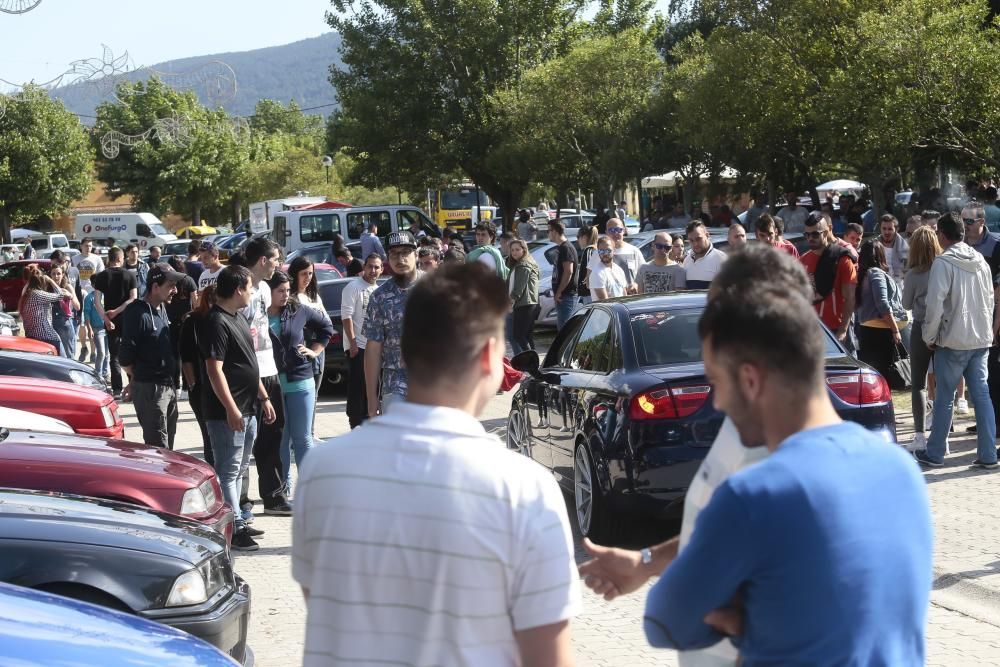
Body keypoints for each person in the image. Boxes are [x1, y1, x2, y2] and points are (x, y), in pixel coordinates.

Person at [580, 243, 932, 665]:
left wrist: (756, 619)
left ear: (749, 378)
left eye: (716, 381)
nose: (717, 402)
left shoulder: (754, 494)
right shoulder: (902, 469)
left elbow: (665, 621)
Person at [293, 262, 580, 666]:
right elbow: (548, 657)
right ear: (488, 357)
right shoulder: (523, 488)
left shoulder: (321, 472)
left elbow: (322, 604)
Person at [198, 265, 276, 551]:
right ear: (237, 289)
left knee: (241, 468)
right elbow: (214, 370)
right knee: (228, 471)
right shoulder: (216, 321)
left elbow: (248, 362)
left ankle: (239, 518)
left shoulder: (239, 317)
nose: (252, 291)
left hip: (250, 406)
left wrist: (264, 397)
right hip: (227, 413)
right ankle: (232, 529)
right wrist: (231, 409)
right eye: (249, 287)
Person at [916, 212, 998, 469]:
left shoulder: (943, 262)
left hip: (952, 341)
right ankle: (988, 455)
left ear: (941, 234)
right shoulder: (981, 261)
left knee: (944, 397)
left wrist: (929, 336)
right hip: (980, 339)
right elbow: (990, 300)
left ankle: (936, 453)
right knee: (982, 396)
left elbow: (935, 304)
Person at [265, 271, 334, 495]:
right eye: (280, 291)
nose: (286, 295)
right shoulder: (258, 312)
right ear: (269, 291)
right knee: (281, 439)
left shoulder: (298, 310)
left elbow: (326, 327)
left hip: (301, 381)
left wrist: (314, 350)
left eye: (287, 290)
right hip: (273, 383)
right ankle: (284, 490)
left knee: (302, 438)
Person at [239, 237, 289, 516]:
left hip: (269, 369)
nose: (278, 265)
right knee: (247, 441)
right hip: (248, 374)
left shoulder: (266, 291)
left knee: (274, 433)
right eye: (275, 259)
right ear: (262, 260)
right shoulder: (242, 289)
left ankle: (274, 495)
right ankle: (242, 505)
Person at [119, 263, 185, 450]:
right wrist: (136, 379)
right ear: (155, 287)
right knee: (158, 450)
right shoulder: (137, 312)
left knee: (168, 449)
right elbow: (124, 356)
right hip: (152, 390)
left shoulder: (161, 309)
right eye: (170, 286)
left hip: (168, 386)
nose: (175, 290)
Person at [364, 231, 421, 416]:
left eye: (406, 252)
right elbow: (373, 349)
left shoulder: (436, 288)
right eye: (394, 253)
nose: (400, 258)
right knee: (397, 444)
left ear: (416, 255)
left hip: (433, 384)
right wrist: (372, 399)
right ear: (387, 258)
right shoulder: (379, 297)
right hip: (395, 385)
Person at [903, 226, 942, 452]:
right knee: (944, 383)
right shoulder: (944, 268)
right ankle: (943, 433)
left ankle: (919, 435)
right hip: (944, 328)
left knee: (918, 384)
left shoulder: (913, 274)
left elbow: (906, 304)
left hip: (920, 326)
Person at [855, 240, 907, 387]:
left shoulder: (863, 275)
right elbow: (883, 303)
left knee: (873, 376)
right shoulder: (876, 273)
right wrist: (895, 329)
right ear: (880, 255)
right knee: (883, 376)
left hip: (867, 329)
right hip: (880, 329)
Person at [799, 212, 857, 345]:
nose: (810, 238)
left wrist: (843, 330)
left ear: (826, 232)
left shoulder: (842, 259)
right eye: (807, 234)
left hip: (837, 330)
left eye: (815, 234)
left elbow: (850, 298)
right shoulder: (802, 260)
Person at [342, 253, 383, 428]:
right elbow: (346, 316)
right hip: (358, 346)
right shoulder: (353, 287)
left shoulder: (379, 290)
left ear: (381, 269)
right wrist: (352, 344)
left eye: (377, 267)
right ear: (364, 267)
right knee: (358, 389)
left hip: (375, 347)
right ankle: (356, 424)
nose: (373, 270)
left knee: (373, 388)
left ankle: (371, 421)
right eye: (370, 266)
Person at [92, 247, 138, 399]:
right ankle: (134, 385)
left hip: (110, 321)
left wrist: (106, 318)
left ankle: (117, 389)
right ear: (119, 258)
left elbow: (96, 301)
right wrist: (118, 310)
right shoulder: (130, 275)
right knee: (131, 352)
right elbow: (133, 299)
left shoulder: (101, 276)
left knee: (114, 355)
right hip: (128, 318)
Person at [179, 284, 217, 467]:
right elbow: (185, 355)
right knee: (209, 433)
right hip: (201, 386)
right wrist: (192, 382)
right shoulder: (193, 320)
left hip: (223, 385)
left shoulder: (226, 318)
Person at [288, 256, 328, 392]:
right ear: (295, 274)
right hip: (302, 351)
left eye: (310, 273)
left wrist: (317, 350)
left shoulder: (314, 296)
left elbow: (326, 324)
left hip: (319, 350)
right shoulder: (291, 298)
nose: (308, 277)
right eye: (304, 273)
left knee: (314, 394)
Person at [19, 264, 72, 354]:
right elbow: (60, 295)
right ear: (40, 282)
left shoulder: (26, 294)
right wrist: (51, 281)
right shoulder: (38, 294)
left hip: (31, 336)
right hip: (46, 336)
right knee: (63, 361)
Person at [165, 256, 197, 397]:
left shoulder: (169, 281)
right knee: (187, 353)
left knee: (174, 354)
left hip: (171, 320)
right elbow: (195, 302)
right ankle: (186, 386)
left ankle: (176, 385)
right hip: (187, 321)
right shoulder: (188, 280)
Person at [507, 238, 540, 354]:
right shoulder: (525, 262)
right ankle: (535, 364)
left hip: (525, 304)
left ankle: (532, 363)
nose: (514, 252)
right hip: (529, 303)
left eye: (517, 249)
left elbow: (518, 289)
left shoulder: (523, 265)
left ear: (524, 250)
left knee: (519, 336)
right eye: (512, 250)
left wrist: (510, 302)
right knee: (526, 336)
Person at [548, 220, 578, 330]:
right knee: (562, 330)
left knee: (565, 332)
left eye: (548, 230)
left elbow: (568, 271)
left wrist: (559, 292)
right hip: (563, 296)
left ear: (555, 231)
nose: (548, 234)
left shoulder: (566, 248)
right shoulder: (561, 247)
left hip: (566, 296)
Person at [48, 262, 80, 359]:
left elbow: (77, 306)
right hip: (51, 324)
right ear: (50, 275)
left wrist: (70, 296)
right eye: (53, 274)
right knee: (54, 354)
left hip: (65, 323)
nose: (56, 276)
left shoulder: (67, 287)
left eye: (58, 273)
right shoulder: (47, 288)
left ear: (63, 275)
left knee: (68, 354)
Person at [683, 221, 727, 289]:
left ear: (707, 235)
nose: (695, 244)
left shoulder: (722, 259)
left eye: (698, 239)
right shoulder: (686, 260)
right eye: (691, 240)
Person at [82, 287, 110, 383]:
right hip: (97, 328)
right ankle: (98, 375)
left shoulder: (106, 296)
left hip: (107, 327)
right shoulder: (89, 297)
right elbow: (86, 313)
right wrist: (89, 328)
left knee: (107, 354)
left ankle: (105, 374)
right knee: (101, 353)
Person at [590, 236, 628, 300]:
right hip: (607, 309)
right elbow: (604, 301)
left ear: (614, 250)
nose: (605, 254)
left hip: (620, 308)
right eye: (601, 251)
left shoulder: (619, 270)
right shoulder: (597, 273)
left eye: (608, 250)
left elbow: (624, 294)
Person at [878, 214, 909, 289]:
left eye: (890, 229)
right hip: (879, 285)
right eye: (884, 229)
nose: (886, 232)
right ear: (880, 228)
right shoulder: (873, 245)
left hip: (899, 287)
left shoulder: (906, 248)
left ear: (896, 229)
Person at [575, 225, 599, 304]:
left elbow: (589, 270)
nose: (577, 240)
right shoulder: (596, 249)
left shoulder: (589, 250)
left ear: (584, 237)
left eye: (578, 237)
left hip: (589, 294)